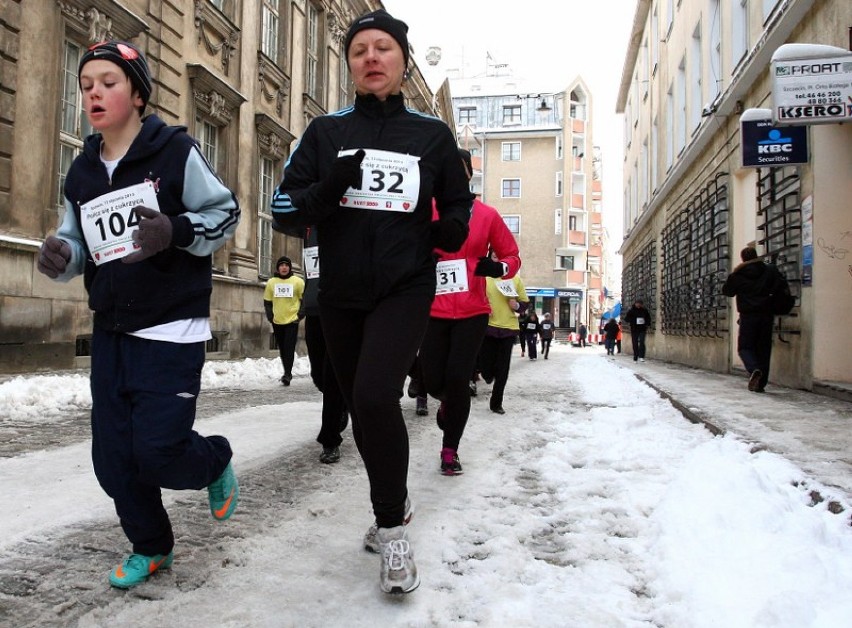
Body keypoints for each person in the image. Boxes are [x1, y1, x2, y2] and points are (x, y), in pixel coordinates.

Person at [269, 9, 473, 594]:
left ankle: (392, 531)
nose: (372, 58)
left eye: (384, 48)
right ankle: (397, 498)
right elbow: (285, 210)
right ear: (350, 64)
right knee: (360, 405)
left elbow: (458, 204)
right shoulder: (324, 132)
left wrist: (449, 231)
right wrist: (329, 188)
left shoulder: (431, 136)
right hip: (339, 290)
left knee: (375, 394)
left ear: (402, 62)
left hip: (404, 286)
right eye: (360, 50)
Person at [36, 41, 240, 589]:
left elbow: (224, 214)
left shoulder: (174, 152)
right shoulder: (82, 171)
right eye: (86, 85)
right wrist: (60, 256)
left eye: (109, 81)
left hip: (171, 327)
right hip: (112, 329)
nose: (95, 93)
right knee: (113, 460)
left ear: (138, 93)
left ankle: (215, 459)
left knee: (160, 452)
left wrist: (174, 230)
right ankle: (151, 546)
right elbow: (78, 244)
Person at [419, 148, 521, 476]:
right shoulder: (425, 210)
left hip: (473, 311)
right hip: (433, 308)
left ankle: (450, 450)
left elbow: (512, 256)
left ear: (466, 174)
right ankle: (446, 400)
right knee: (433, 378)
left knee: (459, 378)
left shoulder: (487, 215)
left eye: (456, 167)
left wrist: (495, 267)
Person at [298, 226, 349, 463]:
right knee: (319, 375)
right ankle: (340, 406)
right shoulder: (309, 223)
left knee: (332, 377)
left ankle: (330, 440)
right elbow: (280, 218)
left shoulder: (350, 217)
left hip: (340, 306)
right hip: (313, 306)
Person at [722, 245, 788, 392]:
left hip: (748, 316)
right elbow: (780, 285)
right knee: (764, 349)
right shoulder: (769, 270)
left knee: (745, 347)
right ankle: (760, 384)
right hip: (767, 314)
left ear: (743, 258)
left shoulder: (738, 274)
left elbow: (727, 291)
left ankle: (754, 369)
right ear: (756, 255)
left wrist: (735, 276)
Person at [479, 273, 530, 414]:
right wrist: (483, 307)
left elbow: (524, 302)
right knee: (486, 364)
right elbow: (474, 297)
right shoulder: (484, 278)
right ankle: (487, 374)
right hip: (488, 327)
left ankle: (496, 403)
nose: (498, 261)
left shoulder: (515, 279)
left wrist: (517, 305)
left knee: (503, 370)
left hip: (508, 329)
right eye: (495, 257)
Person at [263, 255, 305, 386]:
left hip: (292, 320)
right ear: (278, 268)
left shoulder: (298, 282)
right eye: (281, 265)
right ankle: (287, 372)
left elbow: (304, 301)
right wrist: (270, 317)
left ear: (290, 267)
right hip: (277, 321)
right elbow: (267, 302)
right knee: (282, 347)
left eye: (286, 265)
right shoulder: (271, 283)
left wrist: (300, 315)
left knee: (289, 347)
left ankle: (287, 374)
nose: (284, 267)